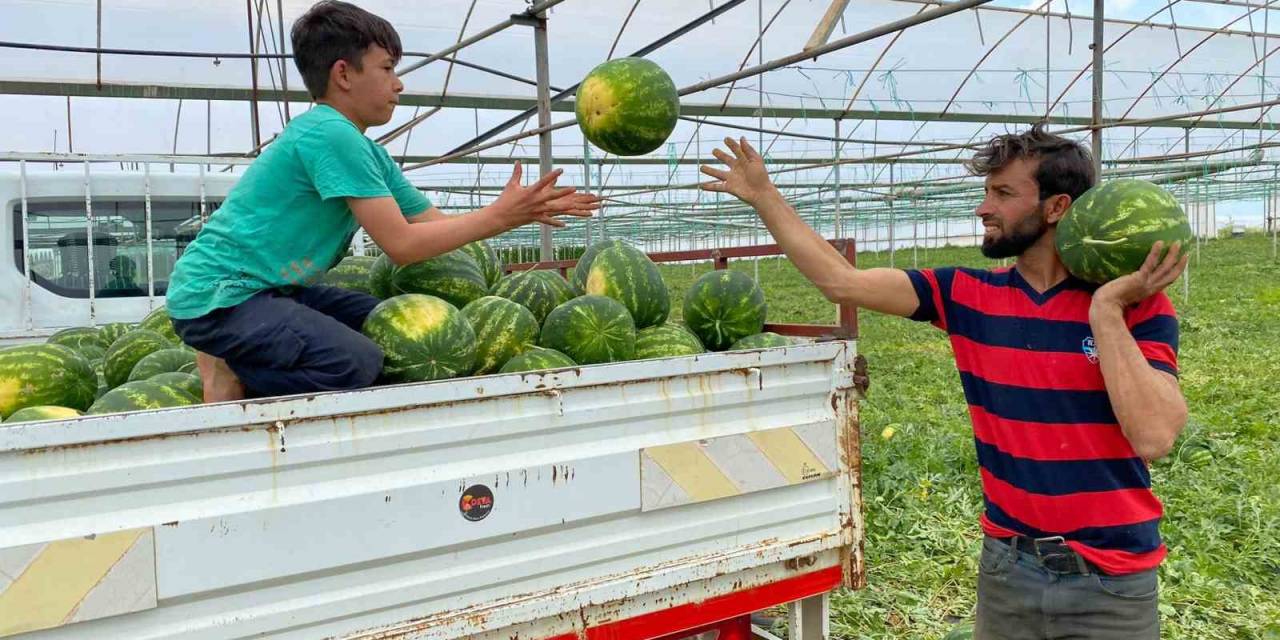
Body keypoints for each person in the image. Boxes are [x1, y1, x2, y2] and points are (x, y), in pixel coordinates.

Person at [700, 126, 1188, 639]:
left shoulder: (1136, 308)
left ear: (1056, 207)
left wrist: (1105, 311)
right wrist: (765, 196)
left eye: (1002, 193)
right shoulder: (966, 293)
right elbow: (841, 282)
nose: (983, 208)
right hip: (1008, 569)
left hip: (1111, 582)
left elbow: (1154, 436)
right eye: (986, 192)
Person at [165, 1, 598, 402]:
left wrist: (516, 213)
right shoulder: (329, 134)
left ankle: (247, 360)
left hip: (270, 293)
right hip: (220, 300)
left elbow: (430, 224)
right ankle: (237, 372)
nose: (398, 83)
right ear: (343, 74)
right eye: (388, 68)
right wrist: (499, 216)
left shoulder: (367, 152)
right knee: (356, 362)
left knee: (390, 324)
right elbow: (402, 245)